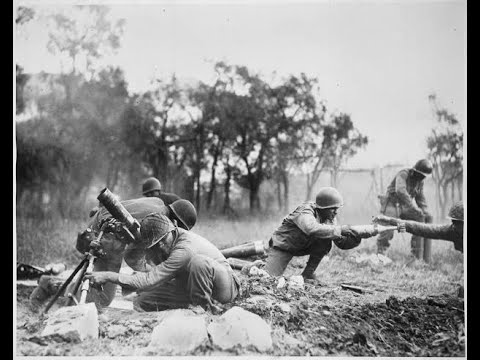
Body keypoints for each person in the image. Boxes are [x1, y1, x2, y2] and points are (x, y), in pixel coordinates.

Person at [29, 197, 197, 311]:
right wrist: (149, 272)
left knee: (90, 283)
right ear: (175, 222)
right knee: (100, 299)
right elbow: (131, 256)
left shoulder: (157, 202)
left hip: (101, 228)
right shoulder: (156, 222)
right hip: (105, 239)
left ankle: (51, 284)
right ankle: (50, 285)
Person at [85, 214, 240, 313]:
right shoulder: (165, 244)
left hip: (223, 288)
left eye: (162, 240)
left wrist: (108, 275)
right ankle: (190, 311)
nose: (160, 246)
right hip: (190, 287)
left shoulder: (185, 248)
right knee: (143, 301)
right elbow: (145, 269)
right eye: (154, 245)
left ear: (172, 230)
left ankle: (205, 313)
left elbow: (150, 279)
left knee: (197, 263)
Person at [264, 187, 366, 281]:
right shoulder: (305, 211)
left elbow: (339, 241)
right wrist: (340, 230)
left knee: (326, 239)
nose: (336, 212)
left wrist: (354, 238)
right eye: (333, 208)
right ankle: (254, 265)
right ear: (323, 208)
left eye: (337, 209)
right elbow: (311, 228)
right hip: (284, 246)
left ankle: (308, 274)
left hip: (302, 246)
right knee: (267, 278)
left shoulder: (329, 218)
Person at [376, 159, 434, 257]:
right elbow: (400, 191)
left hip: (405, 206)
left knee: (422, 218)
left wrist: (424, 211)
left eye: (424, 176)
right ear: (414, 171)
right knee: (388, 228)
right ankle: (380, 253)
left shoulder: (420, 182)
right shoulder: (403, 174)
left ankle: (417, 256)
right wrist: (414, 208)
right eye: (420, 175)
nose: (422, 178)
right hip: (392, 204)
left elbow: (420, 198)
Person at [373, 201, 464, 253]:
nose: (455, 226)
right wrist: (390, 220)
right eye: (453, 222)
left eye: (458, 223)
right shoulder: (452, 231)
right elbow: (420, 228)